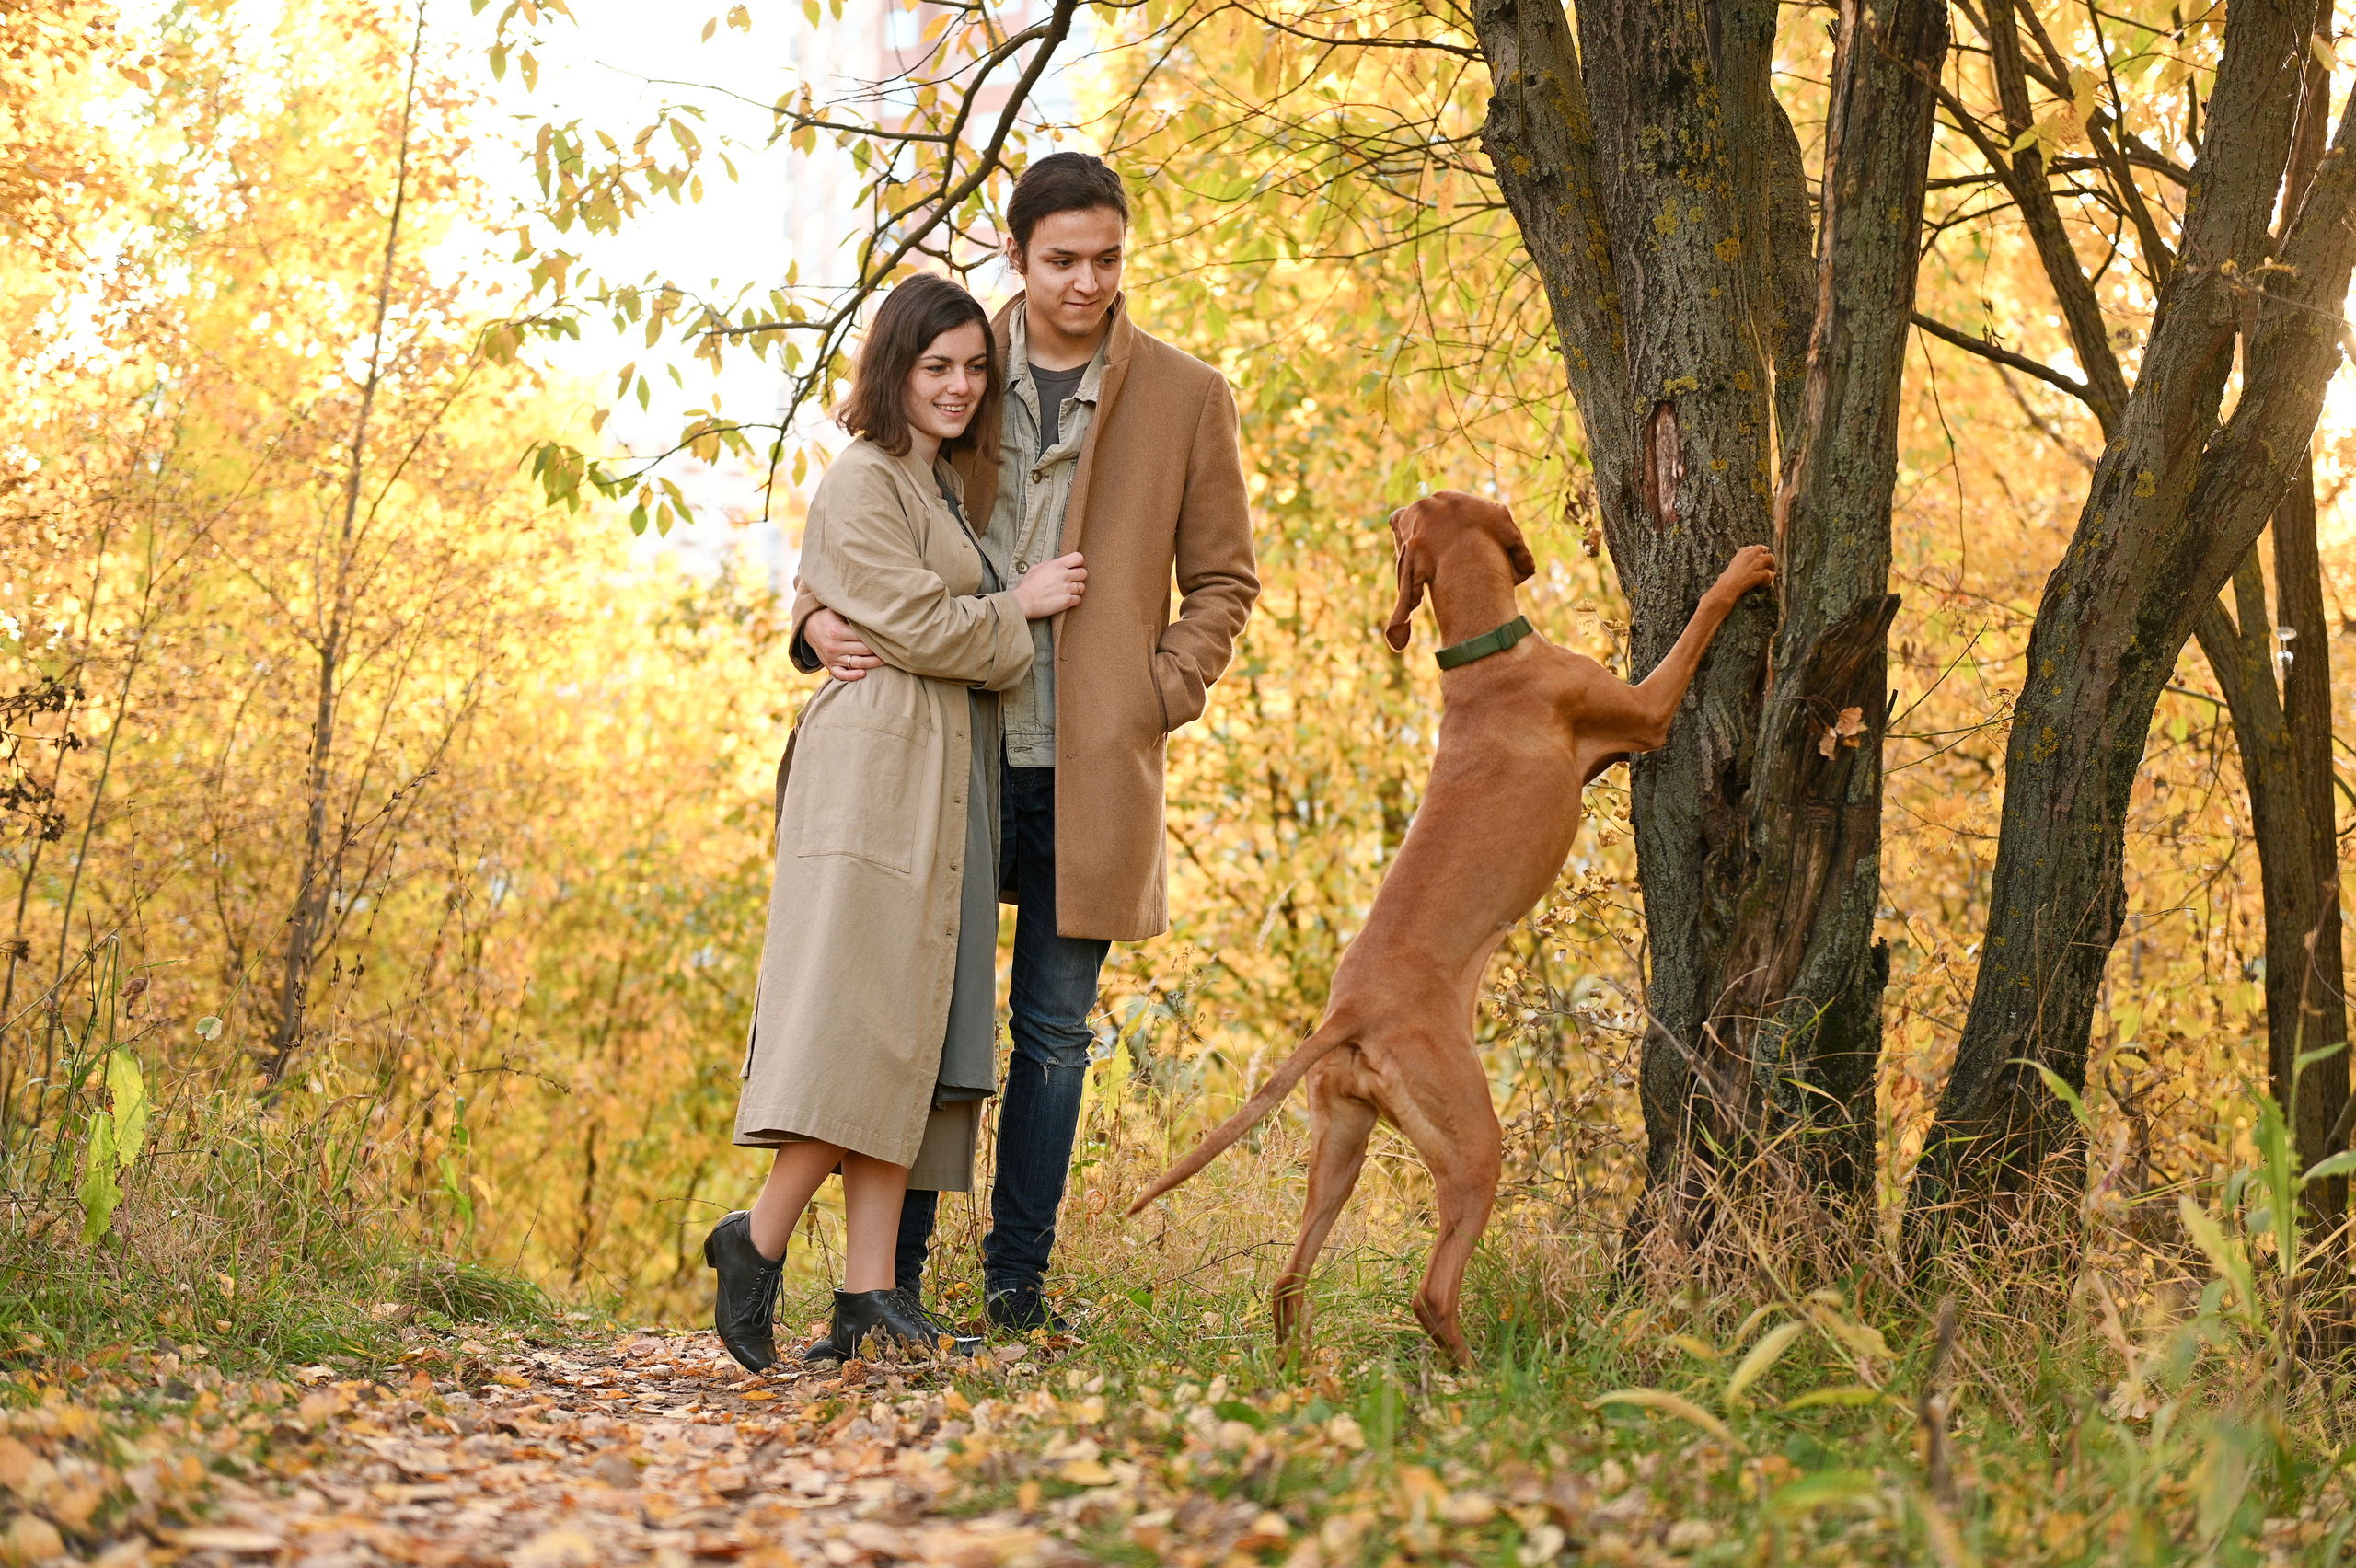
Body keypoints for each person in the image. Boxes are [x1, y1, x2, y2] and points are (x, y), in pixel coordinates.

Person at [794, 152, 1260, 1333]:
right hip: (944, 751)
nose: (1087, 282)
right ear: (1016, 256)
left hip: (1094, 764)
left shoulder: (1187, 393)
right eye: (1062, 260)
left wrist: (1160, 690)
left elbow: (1223, 579)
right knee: (907, 1009)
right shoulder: (958, 368)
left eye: (1108, 258)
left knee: (1054, 1030)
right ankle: (881, 1283)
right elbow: (865, 518)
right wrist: (808, 620)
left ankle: (1016, 1288)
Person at [703, 273, 1089, 1372]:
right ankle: (757, 1236)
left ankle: (870, 1289)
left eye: (974, 367)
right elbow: (921, 624)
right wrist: (1018, 604)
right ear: (893, 372)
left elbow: (897, 606)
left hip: (939, 778)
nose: (960, 386)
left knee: (913, 1026)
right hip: (877, 778)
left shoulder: (933, 483)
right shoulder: (864, 479)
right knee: (866, 1019)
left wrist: (841, 610)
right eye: (937, 368)